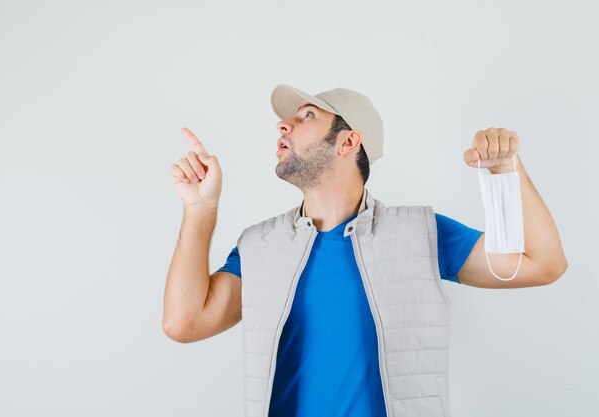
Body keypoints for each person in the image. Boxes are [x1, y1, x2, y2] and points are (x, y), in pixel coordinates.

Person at [162, 84, 568, 417]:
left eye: (306, 116)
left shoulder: (421, 233)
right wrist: (201, 208)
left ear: (348, 141)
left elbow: (544, 264)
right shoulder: (259, 246)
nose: (282, 125)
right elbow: (184, 323)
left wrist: (507, 169)